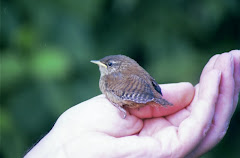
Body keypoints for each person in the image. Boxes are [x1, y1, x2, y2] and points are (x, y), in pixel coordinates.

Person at [25, 50, 240, 158]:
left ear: (114, 67)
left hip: (144, 93)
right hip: (149, 90)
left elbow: (134, 90)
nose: (102, 66)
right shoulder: (122, 72)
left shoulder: (109, 81)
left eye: (106, 64)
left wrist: (130, 102)